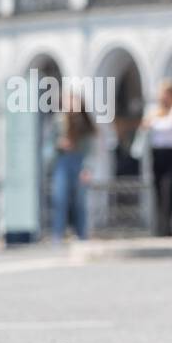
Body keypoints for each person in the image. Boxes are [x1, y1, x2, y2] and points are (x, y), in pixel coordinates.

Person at [140, 79, 172, 237]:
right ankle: (158, 227)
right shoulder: (155, 111)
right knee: (157, 190)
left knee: (169, 190)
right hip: (157, 154)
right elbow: (145, 125)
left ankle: (168, 227)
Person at [45, 91, 95, 243]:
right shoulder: (58, 121)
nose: (71, 105)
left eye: (73, 102)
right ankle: (57, 234)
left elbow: (90, 149)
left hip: (79, 161)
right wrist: (58, 145)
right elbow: (49, 146)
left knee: (79, 201)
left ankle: (81, 234)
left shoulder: (84, 122)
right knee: (60, 199)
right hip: (63, 161)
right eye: (68, 102)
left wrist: (87, 168)